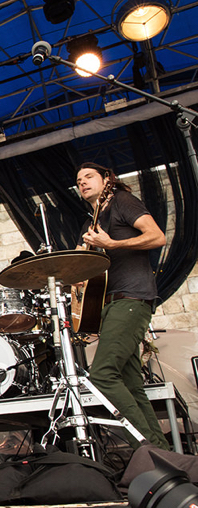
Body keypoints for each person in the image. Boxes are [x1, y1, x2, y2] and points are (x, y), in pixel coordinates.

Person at [75, 162, 169, 449]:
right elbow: (80, 262)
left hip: (131, 298)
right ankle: (164, 455)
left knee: (102, 374)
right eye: (78, 181)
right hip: (111, 303)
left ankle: (148, 448)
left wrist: (113, 244)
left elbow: (158, 236)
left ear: (106, 179)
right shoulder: (91, 222)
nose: (82, 183)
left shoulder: (122, 201)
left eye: (89, 177)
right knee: (131, 384)